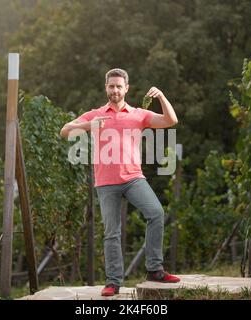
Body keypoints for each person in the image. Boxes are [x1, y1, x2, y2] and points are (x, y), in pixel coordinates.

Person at [60, 68, 180, 296]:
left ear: (126, 89)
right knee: (111, 232)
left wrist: (162, 97)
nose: (115, 90)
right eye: (111, 86)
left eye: (119, 86)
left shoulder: (138, 114)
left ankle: (155, 269)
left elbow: (170, 120)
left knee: (156, 213)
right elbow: (64, 131)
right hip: (105, 182)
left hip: (134, 178)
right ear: (106, 88)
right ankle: (113, 282)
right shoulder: (94, 114)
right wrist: (89, 126)